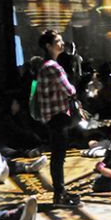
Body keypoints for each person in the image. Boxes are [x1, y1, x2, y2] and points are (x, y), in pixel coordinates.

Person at [37, 29, 81, 207]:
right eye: (58, 41)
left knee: (58, 155)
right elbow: (70, 90)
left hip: (52, 116)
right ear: (49, 46)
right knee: (58, 156)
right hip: (58, 116)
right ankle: (59, 194)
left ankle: (60, 192)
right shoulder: (53, 67)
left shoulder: (45, 66)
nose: (62, 43)